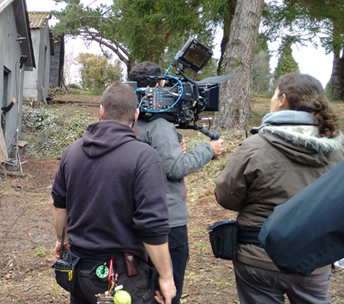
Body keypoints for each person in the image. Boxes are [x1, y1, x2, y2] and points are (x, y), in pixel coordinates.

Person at [214, 73, 343, 304]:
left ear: (282, 99)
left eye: (274, 94)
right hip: (313, 259)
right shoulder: (337, 152)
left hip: (258, 255)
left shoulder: (255, 146)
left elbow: (226, 196)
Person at [51, 82, 176, 304]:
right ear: (136, 114)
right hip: (121, 280)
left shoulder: (71, 153)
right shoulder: (145, 158)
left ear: (101, 111)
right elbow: (152, 226)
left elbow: (60, 204)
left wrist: (62, 240)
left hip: (79, 272)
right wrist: (166, 277)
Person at [131, 62, 223, 304]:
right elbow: (174, 168)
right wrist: (208, 150)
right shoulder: (159, 126)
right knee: (168, 291)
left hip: (137, 217)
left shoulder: (131, 122)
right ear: (158, 85)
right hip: (167, 221)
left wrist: (176, 146)